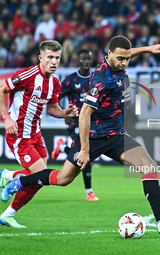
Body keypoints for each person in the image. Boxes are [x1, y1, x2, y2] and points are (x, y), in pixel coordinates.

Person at [0, 35, 160, 235]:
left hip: (116, 135)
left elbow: (126, 52)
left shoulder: (118, 59)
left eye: (126, 58)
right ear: (109, 55)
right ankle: (21, 181)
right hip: (94, 137)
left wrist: (149, 49)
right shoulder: (101, 80)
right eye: (121, 59)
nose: (124, 62)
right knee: (63, 179)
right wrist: (84, 149)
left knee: (149, 166)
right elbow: (84, 113)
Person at [0, 40, 78, 228]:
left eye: (57, 58)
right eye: (50, 57)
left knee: (39, 180)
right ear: (41, 58)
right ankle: (11, 182)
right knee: (41, 174)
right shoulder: (28, 75)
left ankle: (8, 202)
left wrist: (65, 113)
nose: (54, 62)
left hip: (36, 135)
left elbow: (53, 107)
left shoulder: (54, 82)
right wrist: (7, 118)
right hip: (18, 135)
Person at [51, 49, 99, 201]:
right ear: (78, 60)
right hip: (76, 121)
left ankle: (61, 148)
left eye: (88, 59)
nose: (86, 62)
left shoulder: (96, 78)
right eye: (83, 59)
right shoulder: (71, 80)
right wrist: (64, 113)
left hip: (93, 121)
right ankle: (89, 192)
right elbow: (55, 97)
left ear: (91, 61)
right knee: (86, 154)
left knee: (83, 153)